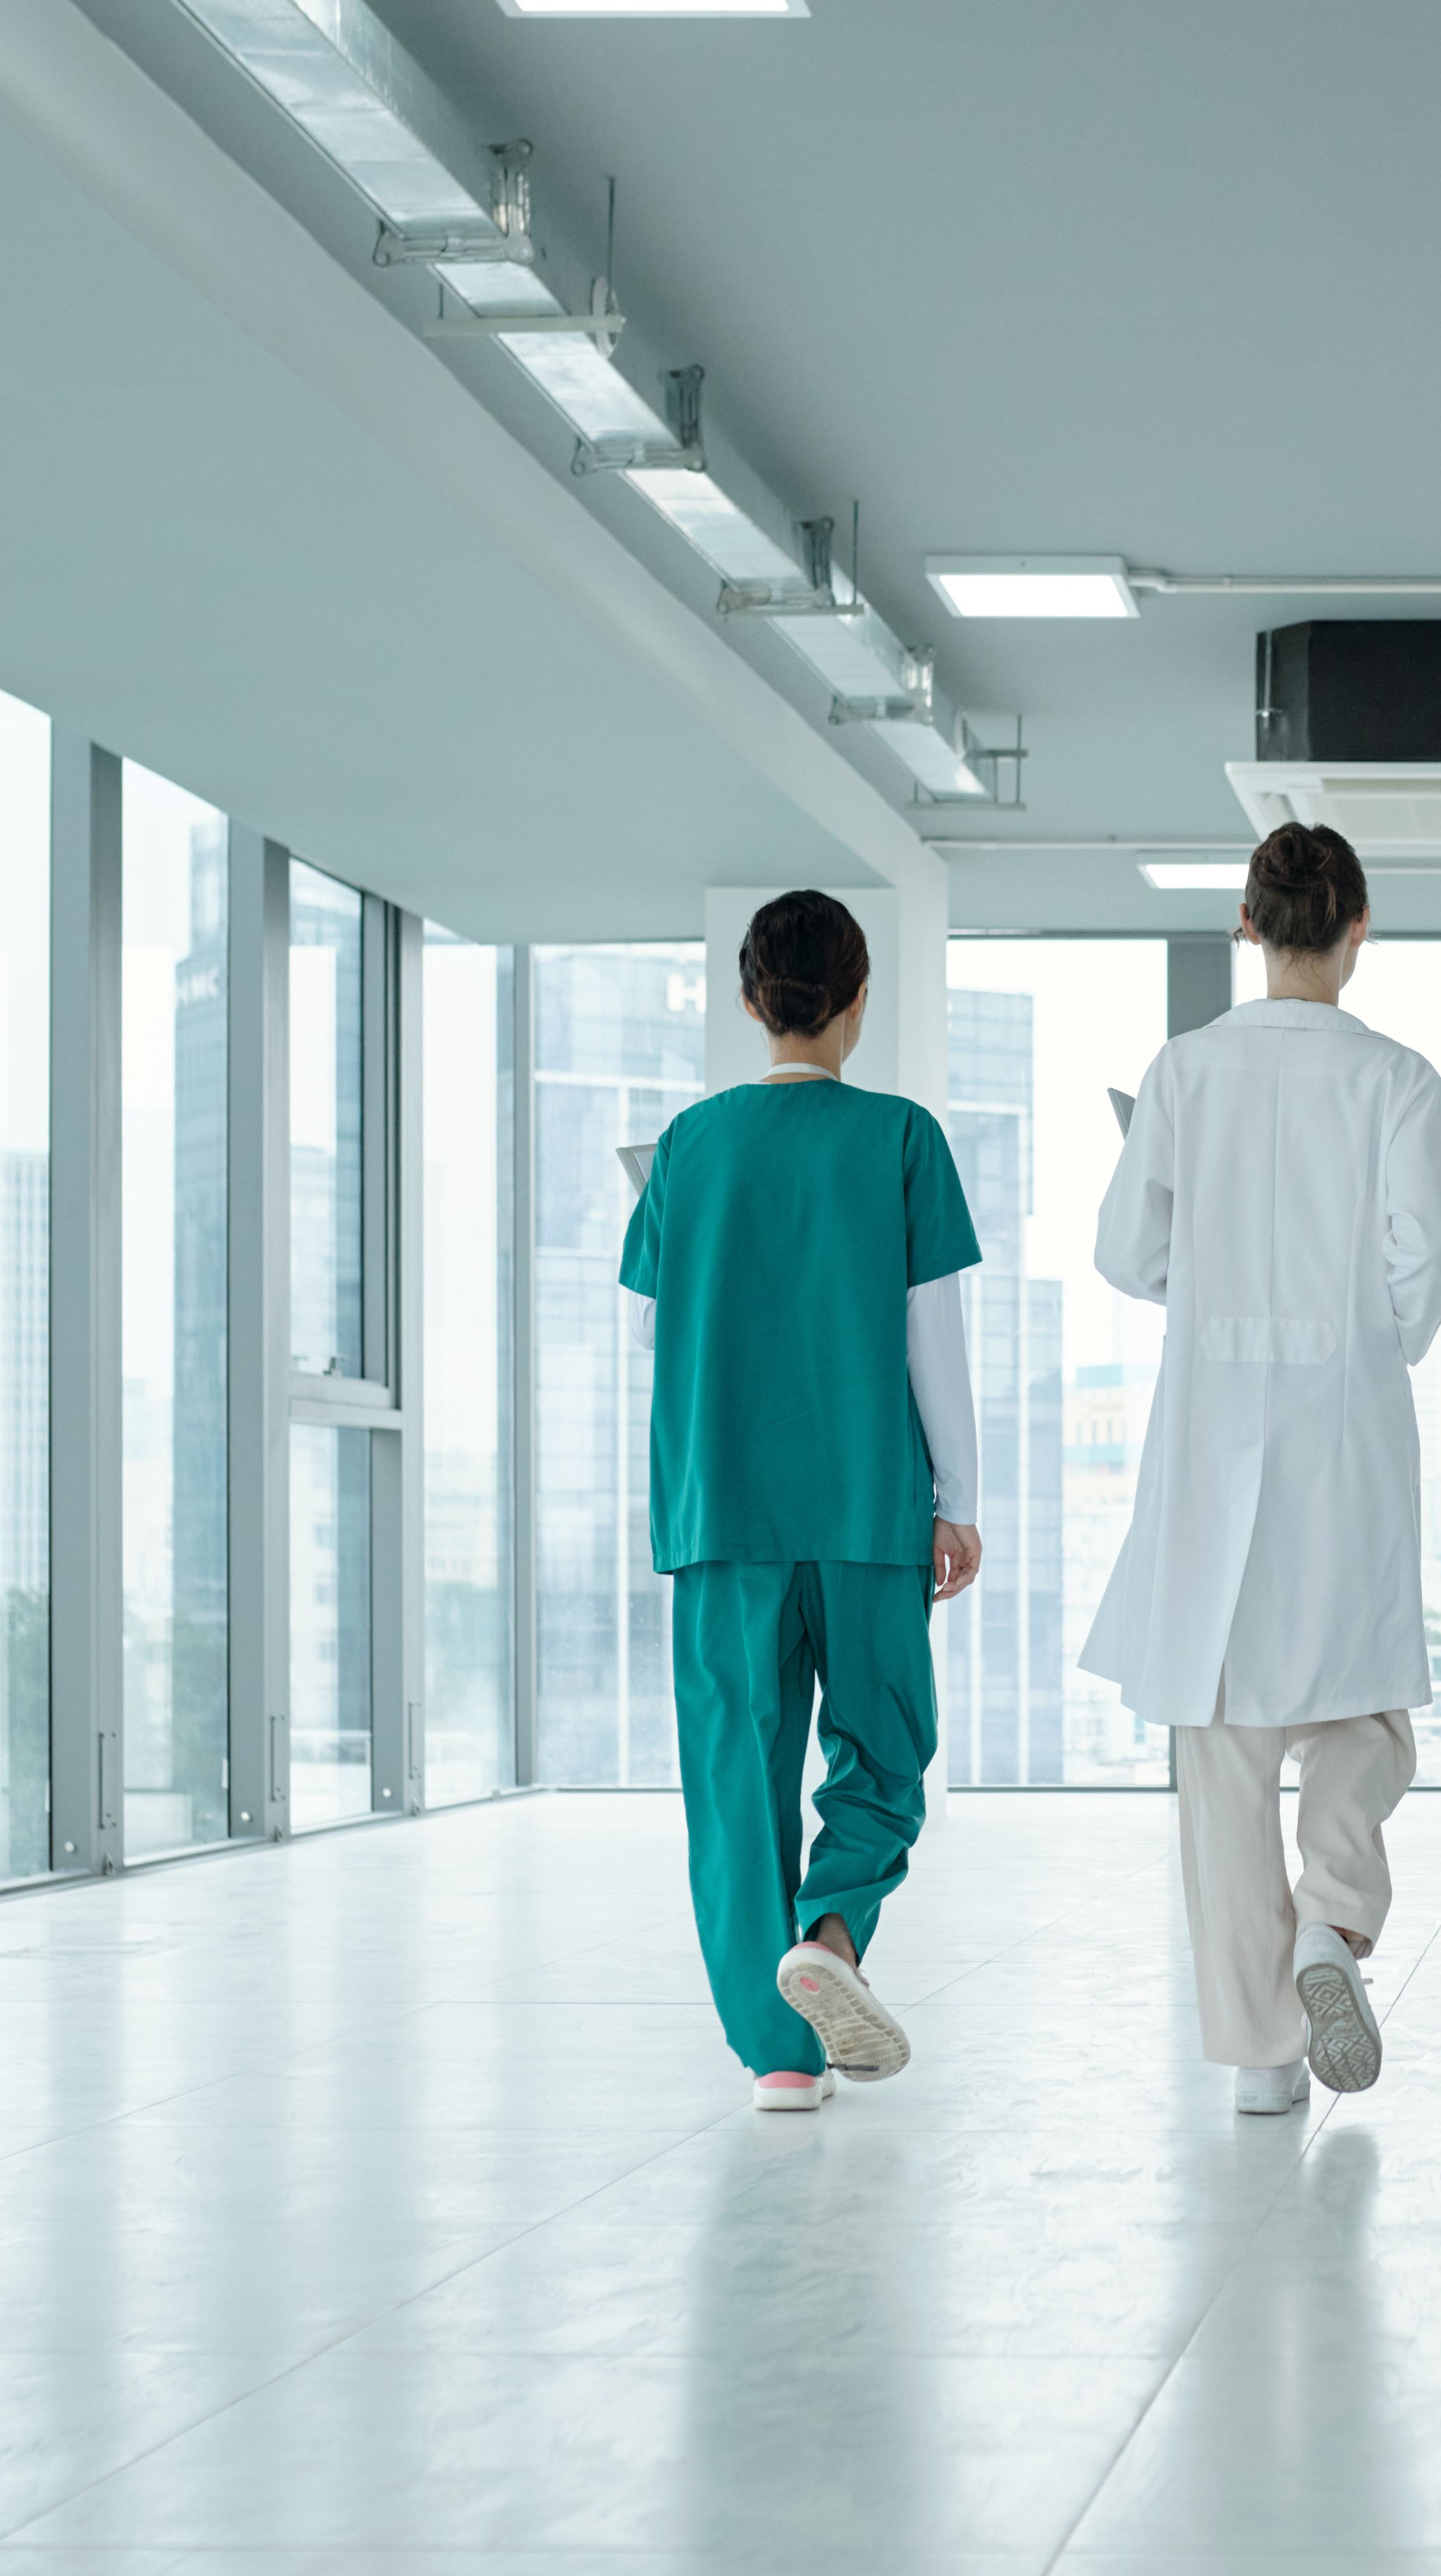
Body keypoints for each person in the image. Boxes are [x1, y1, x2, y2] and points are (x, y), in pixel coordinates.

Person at [1083, 824, 1441, 2118]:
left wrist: (1204, 1279)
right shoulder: (1398, 1078)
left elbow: (1126, 1256)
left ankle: (1261, 2061)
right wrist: (1383, 1332)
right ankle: (1335, 1918)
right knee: (1365, 1712)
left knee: (1226, 1750)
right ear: (1359, 927)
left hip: (1211, 1430)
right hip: (1346, 1426)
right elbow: (1424, 1254)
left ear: (1247, 926)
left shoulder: (1183, 1072)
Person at [619, 890, 987, 2114]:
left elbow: (653, 1325)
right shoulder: (902, 1137)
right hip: (868, 1503)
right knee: (885, 1748)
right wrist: (957, 1498)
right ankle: (830, 1934)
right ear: (859, 999)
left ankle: (778, 2055)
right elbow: (934, 1338)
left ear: (749, 1000)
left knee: (736, 1773)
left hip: (720, 1508)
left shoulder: (686, 1146)